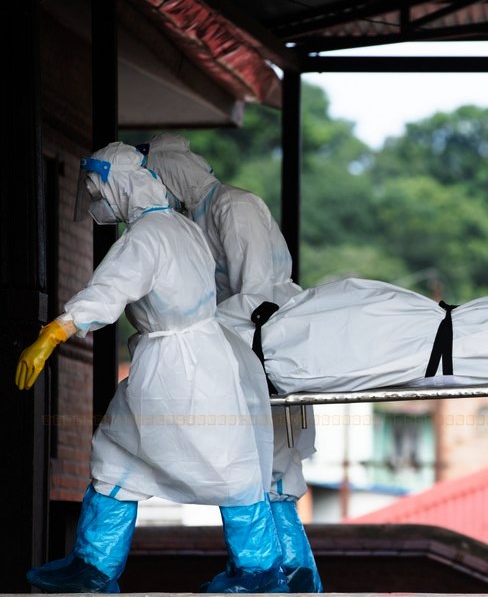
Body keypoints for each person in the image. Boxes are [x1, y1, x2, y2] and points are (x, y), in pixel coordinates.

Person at [15, 142, 288, 593]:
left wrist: (54, 332)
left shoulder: (145, 236)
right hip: (198, 356)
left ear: (118, 185)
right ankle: (93, 566)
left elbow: (109, 290)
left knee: (223, 465)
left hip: (177, 367)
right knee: (117, 451)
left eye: (97, 187)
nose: (95, 198)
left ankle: (258, 572)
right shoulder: (179, 225)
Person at [143, 133, 322, 593]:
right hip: (236, 345)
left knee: (270, 463)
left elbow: (257, 293)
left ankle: (282, 578)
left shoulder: (233, 207)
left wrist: (194, 328)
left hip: (264, 344)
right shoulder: (190, 220)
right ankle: (286, 578)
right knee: (257, 465)